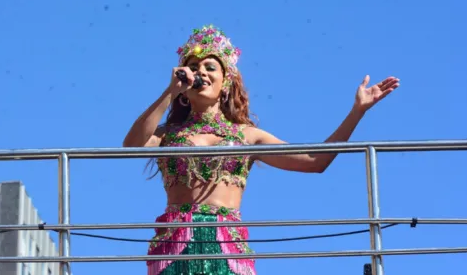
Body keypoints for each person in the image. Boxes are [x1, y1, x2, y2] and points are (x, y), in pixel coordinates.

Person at [123, 25, 400, 275]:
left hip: (227, 248)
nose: (201, 72)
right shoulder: (168, 135)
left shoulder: (246, 136)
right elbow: (131, 145)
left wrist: (357, 112)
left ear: (226, 83)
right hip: (175, 247)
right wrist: (169, 92)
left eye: (210, 67)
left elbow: (315, 161)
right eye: (194, 67)